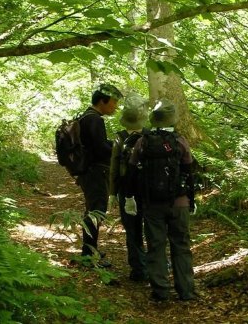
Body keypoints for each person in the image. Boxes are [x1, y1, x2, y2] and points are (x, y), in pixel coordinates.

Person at [124, 99, 197, 301]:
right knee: (181, 245)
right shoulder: (180, 141)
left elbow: (131, 171)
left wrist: (129, 197)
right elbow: (189, 171)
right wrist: (192, 198)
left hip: (152, 204)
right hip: (179, 203)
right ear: (172, 120)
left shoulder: (143, 141)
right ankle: (186, 290)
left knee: (156, 246)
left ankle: (160, 291)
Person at [76, 83, 123, 267]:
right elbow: (101, 148)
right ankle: (88, 257)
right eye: (113, 102)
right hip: (95, 172)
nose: (115, 107)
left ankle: (90, 250)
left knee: (93, 211)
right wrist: (118, 147)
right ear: (102, 101)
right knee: (96, 212)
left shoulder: (87, 116)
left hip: (89, 171)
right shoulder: (94, 119)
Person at [108, 93, 149, 282]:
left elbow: (114, 167)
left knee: (132, 231)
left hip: (126, 190)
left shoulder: (120, 138)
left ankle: (138, 269)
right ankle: (157, 266)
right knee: (152, 229)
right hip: (151, 190)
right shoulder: (151, 136)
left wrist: (112, 193)